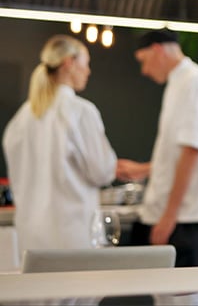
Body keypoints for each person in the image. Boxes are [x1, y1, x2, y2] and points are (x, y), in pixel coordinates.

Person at [116, 28, 198, 267]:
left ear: (157, 50)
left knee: (185, 299)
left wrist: (169, 215)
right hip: (180, 216)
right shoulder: (179, 82)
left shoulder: (194, 82)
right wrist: (145, 169)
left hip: (186, 218)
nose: (144, 70)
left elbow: (192, 151)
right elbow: (181, 153)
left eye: (143, 61)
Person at [2, 34, 117, 255]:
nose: (88, 71)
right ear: (69, 63)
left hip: (31, 240)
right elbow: (103, 172)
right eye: (86, 64)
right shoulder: (81, 112)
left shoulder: (19, 121)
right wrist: (115, 166)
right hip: (75, 238)